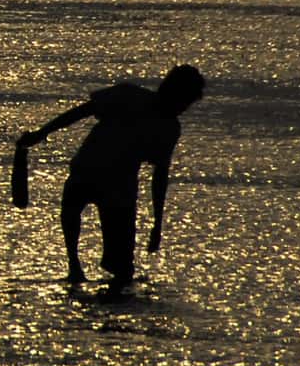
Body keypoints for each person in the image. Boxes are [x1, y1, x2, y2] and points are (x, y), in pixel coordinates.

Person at [18, 64, 206, 297]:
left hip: (117, 186)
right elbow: (80, 112)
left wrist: (157, 224)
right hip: (92, 172)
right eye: (184, 101)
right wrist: (41, 133)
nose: (183, 108)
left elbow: (160, 176)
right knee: (73, 212)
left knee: (122, 269)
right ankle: (74, 267)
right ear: (173, 93)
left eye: (187, 105)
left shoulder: (168, 127)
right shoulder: (129, 96)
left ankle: (92, 284)